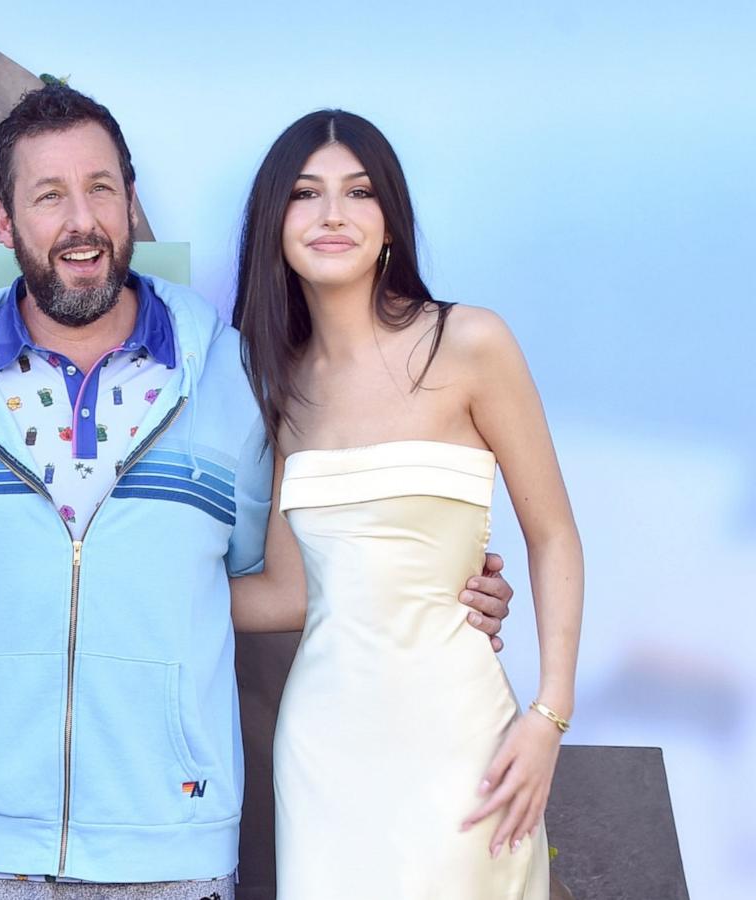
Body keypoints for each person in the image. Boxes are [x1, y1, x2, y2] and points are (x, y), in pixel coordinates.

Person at [0, 84, 516, 899]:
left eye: (101, 188)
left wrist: (437, 589)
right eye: (50, 196)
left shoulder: (237, 379)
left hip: (173, 852)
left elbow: (291, 580)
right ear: (4, 221)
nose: (82, 220)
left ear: (131, 204)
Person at [233, 110, 583, 898]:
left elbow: (554, 534)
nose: (331, 215)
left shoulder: (471, 343)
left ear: (389, 217)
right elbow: (290, 596)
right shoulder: (282, 388)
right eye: (304, 194)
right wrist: (132, 589)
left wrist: (549, 717)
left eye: (358, 192)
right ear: (274, 225)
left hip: (463, 745)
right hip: (322, 753)